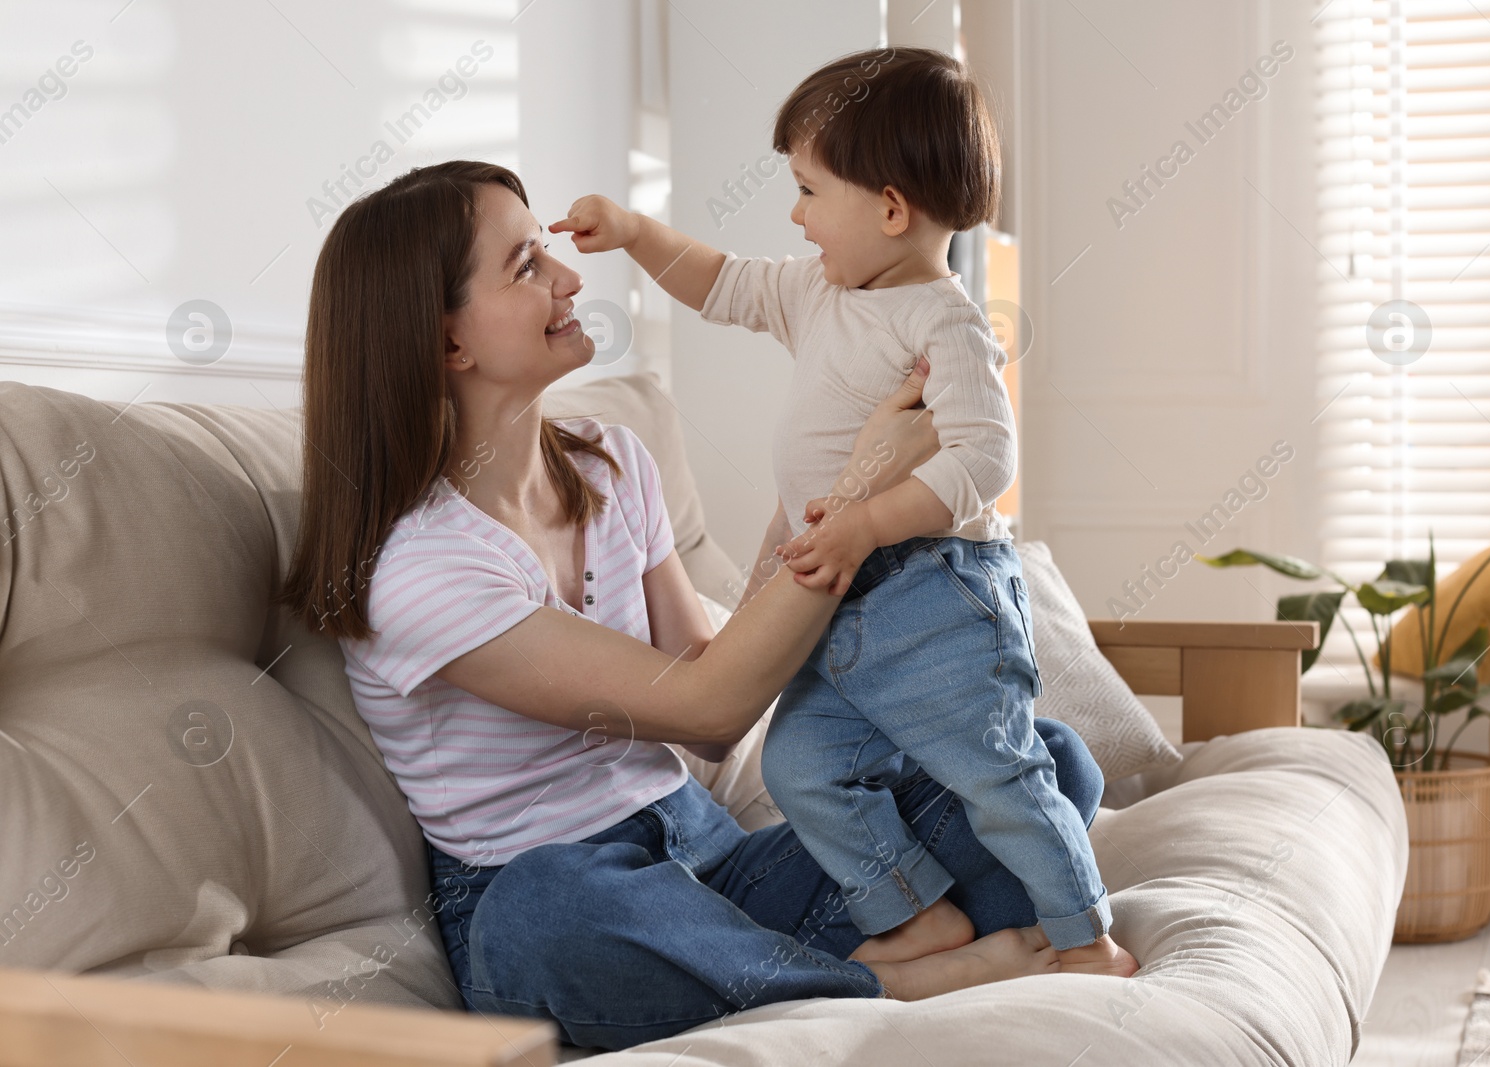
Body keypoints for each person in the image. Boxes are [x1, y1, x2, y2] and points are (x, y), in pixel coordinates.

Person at [277, 159, 1114, 1052]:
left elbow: (714, 723)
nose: (569, 277)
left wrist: (826, 480)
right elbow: (707, 702)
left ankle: (766, 973)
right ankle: (883, 981)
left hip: (705, 855)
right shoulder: (420, 567)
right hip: (563, 895)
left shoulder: (609, 462)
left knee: (1043, 763)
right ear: (449, 345)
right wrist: (858, 481)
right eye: (527, 266)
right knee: (540, 913)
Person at [553, 48, 1136, 974]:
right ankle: (917, 913)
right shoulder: (816, 291)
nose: (794, 215)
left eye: (809, 190)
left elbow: (986, 456)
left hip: (933, 600)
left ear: (892, 209)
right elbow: (717, 279)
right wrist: (633, 230)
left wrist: (866, 523)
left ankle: (1087, 937)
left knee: (1002, 776)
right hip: (842, 610)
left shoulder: (942, 322)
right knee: (800, 769)